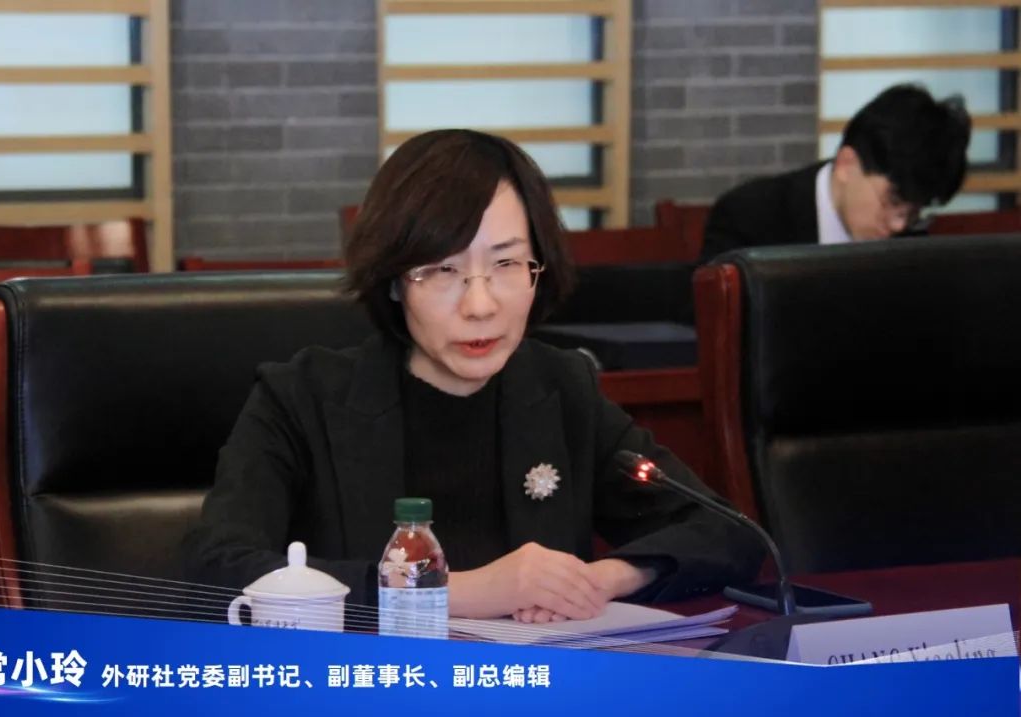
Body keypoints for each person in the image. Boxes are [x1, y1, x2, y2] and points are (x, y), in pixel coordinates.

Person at [184, 129, 764, 624]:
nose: (481, 305)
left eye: (507, 263)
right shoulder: (302, 397)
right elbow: (215, 568)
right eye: (443, 270)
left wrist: (600, 579)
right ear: (394, 280)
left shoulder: (561, 388)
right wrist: (455, 592)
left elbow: (727, 533)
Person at [701, 84, 971, 262]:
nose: (898, 226)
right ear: (846, 164)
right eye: (892, 201)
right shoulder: (748, 219)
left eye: (913, 213)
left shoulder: (913, 244)